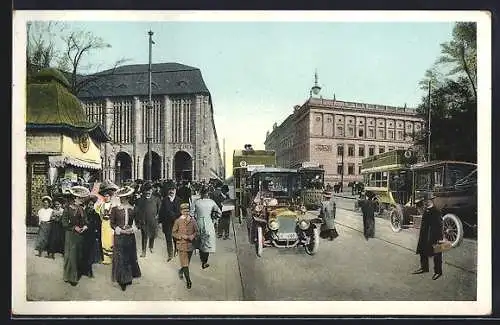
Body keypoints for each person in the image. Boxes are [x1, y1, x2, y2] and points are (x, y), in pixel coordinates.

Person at [110, 186, 142, 291]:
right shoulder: (115, 209)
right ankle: (122, 280)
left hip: (129, 236)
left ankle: (128, 277)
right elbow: (112, 223)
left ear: (128, 197)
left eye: (125, 197)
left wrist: (132, 229)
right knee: (120, 257)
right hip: (119, 237)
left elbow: (139, 223)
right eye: (121, 197)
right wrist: (119, 229)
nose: (122, 199)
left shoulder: (134, 209)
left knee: (128, 256)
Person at [62, 186, 90, 286]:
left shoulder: (82, 209)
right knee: (71, 255)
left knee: (77, 255)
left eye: (82, 198)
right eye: (79, 198)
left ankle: (75, 274)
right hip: (70, 234)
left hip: (80, 235)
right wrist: (74, 228)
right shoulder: (68, 208)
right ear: (75, 198)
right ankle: (70, 277)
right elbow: (64, 223)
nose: (81, 200)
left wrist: (85, 226)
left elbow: (86, 221)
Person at [412, 194, 444, 280]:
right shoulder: (426, 211)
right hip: (425, 234)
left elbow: (439, 226)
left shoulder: (435, 211)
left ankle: (438, 272)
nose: (419, 210)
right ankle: (424, 267)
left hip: (435, 235)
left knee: (437, 252)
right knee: (422, 249)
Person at [192, 186, 221, 269]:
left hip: (199, 222)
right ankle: (204, 261)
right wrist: (215, 220)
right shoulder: (211, 202)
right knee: (207, 242)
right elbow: (219, 212)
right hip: (208, 222)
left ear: (201, 193)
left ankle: (202, 259)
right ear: (208, 193)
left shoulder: (196, 202)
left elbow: (191, 214)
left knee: (200, 241)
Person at [172, 202, 198, 289]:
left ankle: (181, 270)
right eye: (184, 211)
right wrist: (180, 236)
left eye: (187, 211)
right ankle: (189, 281)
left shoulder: (193, 220)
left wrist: (192, 236)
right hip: (181, 245)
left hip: (190, 245)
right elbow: (174, 232)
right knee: (185, 263)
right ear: (181, 211)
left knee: (186, 263)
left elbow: (197, 231)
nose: (186, 213)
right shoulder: (178, 221)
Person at [134, 182, 161, 257]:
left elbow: (160, 209)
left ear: (152, 191)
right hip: (144, 221)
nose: (148, 192)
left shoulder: (156, 199)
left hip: (153, 221)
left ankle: (151, 247)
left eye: (150, 190)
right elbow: (137, 211)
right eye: (146, 190)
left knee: (152, 235)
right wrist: (137, 222)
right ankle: (143, 251)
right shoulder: (140, 200)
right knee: (144, 236)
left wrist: (158, 217)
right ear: (144, 191)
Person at [95, 181, 119, 265]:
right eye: (104, 196)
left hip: (110, 224)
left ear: (110, 196)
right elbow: (99, 213)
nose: (106, 197)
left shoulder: (113, 205)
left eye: (107, 196)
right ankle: (106, 258)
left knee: (111, 240)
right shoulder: (102, 205)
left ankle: (113, 258)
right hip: (104, 224)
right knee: (104, 240)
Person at [158, 180, 181, 262]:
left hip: (176, 223)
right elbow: (161, 212)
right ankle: (170, 254)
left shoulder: (179, 200)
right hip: (167, 223)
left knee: (176, 238)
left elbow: (180, 212)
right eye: (170, 189)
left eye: (173, 189)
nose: (171, 191)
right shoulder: (164, 200)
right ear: (168, 191)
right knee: (168, 239)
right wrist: (159, 222)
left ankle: (176, 251)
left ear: (176, 190)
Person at [81, 194, 102, 276]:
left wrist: (97, 234)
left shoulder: (96, 214)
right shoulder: (83, 213)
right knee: (84, 252)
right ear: (87, 205)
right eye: (90, 205)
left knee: (90, 253)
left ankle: (89, 270)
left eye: (92, 205)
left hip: (92, 235)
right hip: (84, 235)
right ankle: (85, 270)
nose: (91, 206)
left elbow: (98, 225)